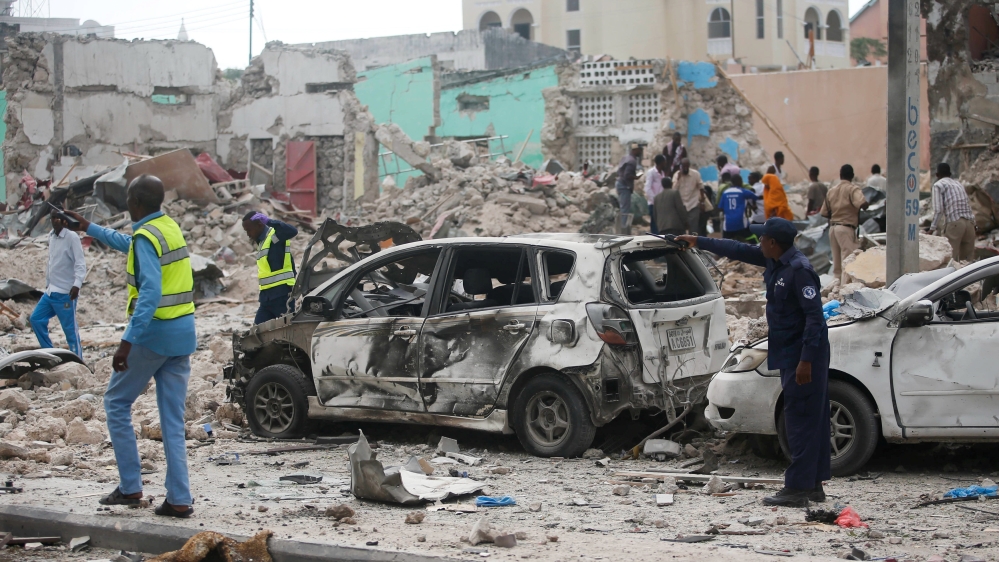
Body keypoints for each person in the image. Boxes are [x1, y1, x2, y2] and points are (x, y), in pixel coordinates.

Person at [64, 175, 196, 518]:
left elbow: (150, 293)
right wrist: (90, 227)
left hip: (153, 335)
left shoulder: (146, 236)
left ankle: (130, 487)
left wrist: (126, 343)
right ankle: (179, 498)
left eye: (127, 198)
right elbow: (132, 244)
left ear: (134, 203)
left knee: (116, 402)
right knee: (171, 420)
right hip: (183, 335)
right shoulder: (167, 227)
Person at [677, 218, 829, 508]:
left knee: (801, 420)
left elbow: (815, 320)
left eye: (762, 239)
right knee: (808, 418)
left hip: (805, 356)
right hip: (789, 352)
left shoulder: (800, 271)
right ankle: (813, 486)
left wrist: (806, 361)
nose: (758, 243)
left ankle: (798, 488)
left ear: (773, 243)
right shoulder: (774, 259)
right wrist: (698, 241)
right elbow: (735, 248)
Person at [30, 209, 86, 358]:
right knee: (35, 319)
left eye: (57, 218)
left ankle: (78, 362)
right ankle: (51, 355)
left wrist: (77, 285)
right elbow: (52, 261)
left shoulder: (71, 237)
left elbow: (80, 264)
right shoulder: (51, 237)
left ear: (64, 219)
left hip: (65, 294)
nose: (54, 220)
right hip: (50, 292)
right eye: (52, 217)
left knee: (70, 331)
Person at [242, 212, 300, 323]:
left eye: (249, 230)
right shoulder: (261, 242)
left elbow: (293, 231)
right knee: (257, 333)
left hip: (283, 296)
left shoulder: (275, 237)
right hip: (266, 298)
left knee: (287, 332)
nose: (248, 234)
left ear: (259, 225)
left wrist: (269, 221)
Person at [820, 165, 869, 285]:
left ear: (840, 175)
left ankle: (835, 290)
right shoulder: (852, 189)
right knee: (848, 263)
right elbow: (862, 203)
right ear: (852, 176)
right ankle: (845, 291)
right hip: (846, 228)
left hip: (833, 229)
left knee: (837, 266)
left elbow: (824, 212)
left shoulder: (831, 191)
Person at [930, 163, 977, 262]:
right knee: (967, 262)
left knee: (951, 260)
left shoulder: (938, 185)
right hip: (970, 224)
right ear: (950, 174)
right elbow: (968, 203)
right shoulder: (959, 184)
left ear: (937, 175)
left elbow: (939, 210)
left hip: (955, 223)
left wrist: (932, 228)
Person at [719, 175, 758, 241]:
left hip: (728, 225)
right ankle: (759, 249)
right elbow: (755, 197)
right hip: (741, 223)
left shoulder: (725, 193)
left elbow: (720, 208)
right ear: (740, 182)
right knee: (753, 238)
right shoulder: (743, 191)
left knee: (724, 243)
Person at [672, 158, 704, 234]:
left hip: (693, 204)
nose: (685, 168)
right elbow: (674, 190)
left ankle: (693, 245)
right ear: (681, 166)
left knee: (693, 228)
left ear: (689, 166)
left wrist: (702, 202)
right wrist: (678, 179)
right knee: (680, 229)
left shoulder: (695, 174)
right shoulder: (676, 175)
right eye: (684, 167)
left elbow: (701, 187)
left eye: (687, 166)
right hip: (681, 206)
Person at [616, 144, 642, 233]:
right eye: (639, 150)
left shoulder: (626, 158)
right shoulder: (632, 161)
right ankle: (623, 231)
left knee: (623, 208)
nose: (640, 152)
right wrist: (636, 177)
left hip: (620, 184)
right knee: (625, 210)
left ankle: (621, 229)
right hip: (624, 186)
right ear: (634, 150)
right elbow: (627, 175)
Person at [644, 154, 667, 235]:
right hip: (654, 203)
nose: (665, 164)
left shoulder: (662, 173)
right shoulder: (651, 172)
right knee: (654, 225)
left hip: (662, 203)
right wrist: (655, 200)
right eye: (664, 162)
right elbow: (647, 188)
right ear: (661, 163)